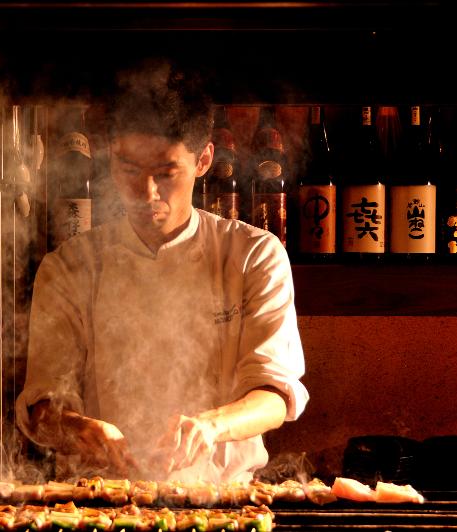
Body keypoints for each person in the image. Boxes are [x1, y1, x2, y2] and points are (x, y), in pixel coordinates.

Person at [16, 61, 308, 483]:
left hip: (221, 500)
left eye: (166, 173)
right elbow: (42, 406)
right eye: (129, 170)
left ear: (204, 159)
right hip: (100, 501)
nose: (146, 192)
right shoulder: (70, 267)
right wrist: (80, 428)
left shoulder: (253, 256)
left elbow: (275, 394)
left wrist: (211, 426)